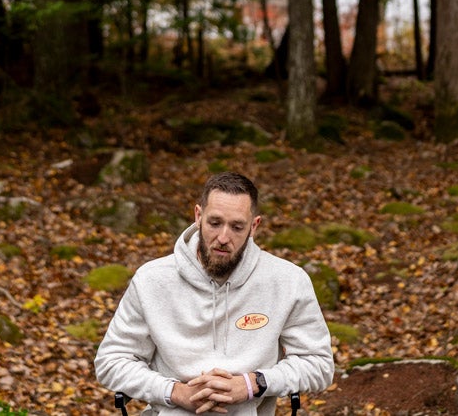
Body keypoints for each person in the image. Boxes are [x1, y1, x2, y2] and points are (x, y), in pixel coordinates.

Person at [95, 172, 334, 415]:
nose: (223, 238)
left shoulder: (287, 280)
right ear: (198, 216)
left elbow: (319, 365)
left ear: (254, 226)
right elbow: (111, 362)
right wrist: (175, 392)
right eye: (215, 223)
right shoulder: (152, 279)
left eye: (237, 227)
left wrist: (253, 384)